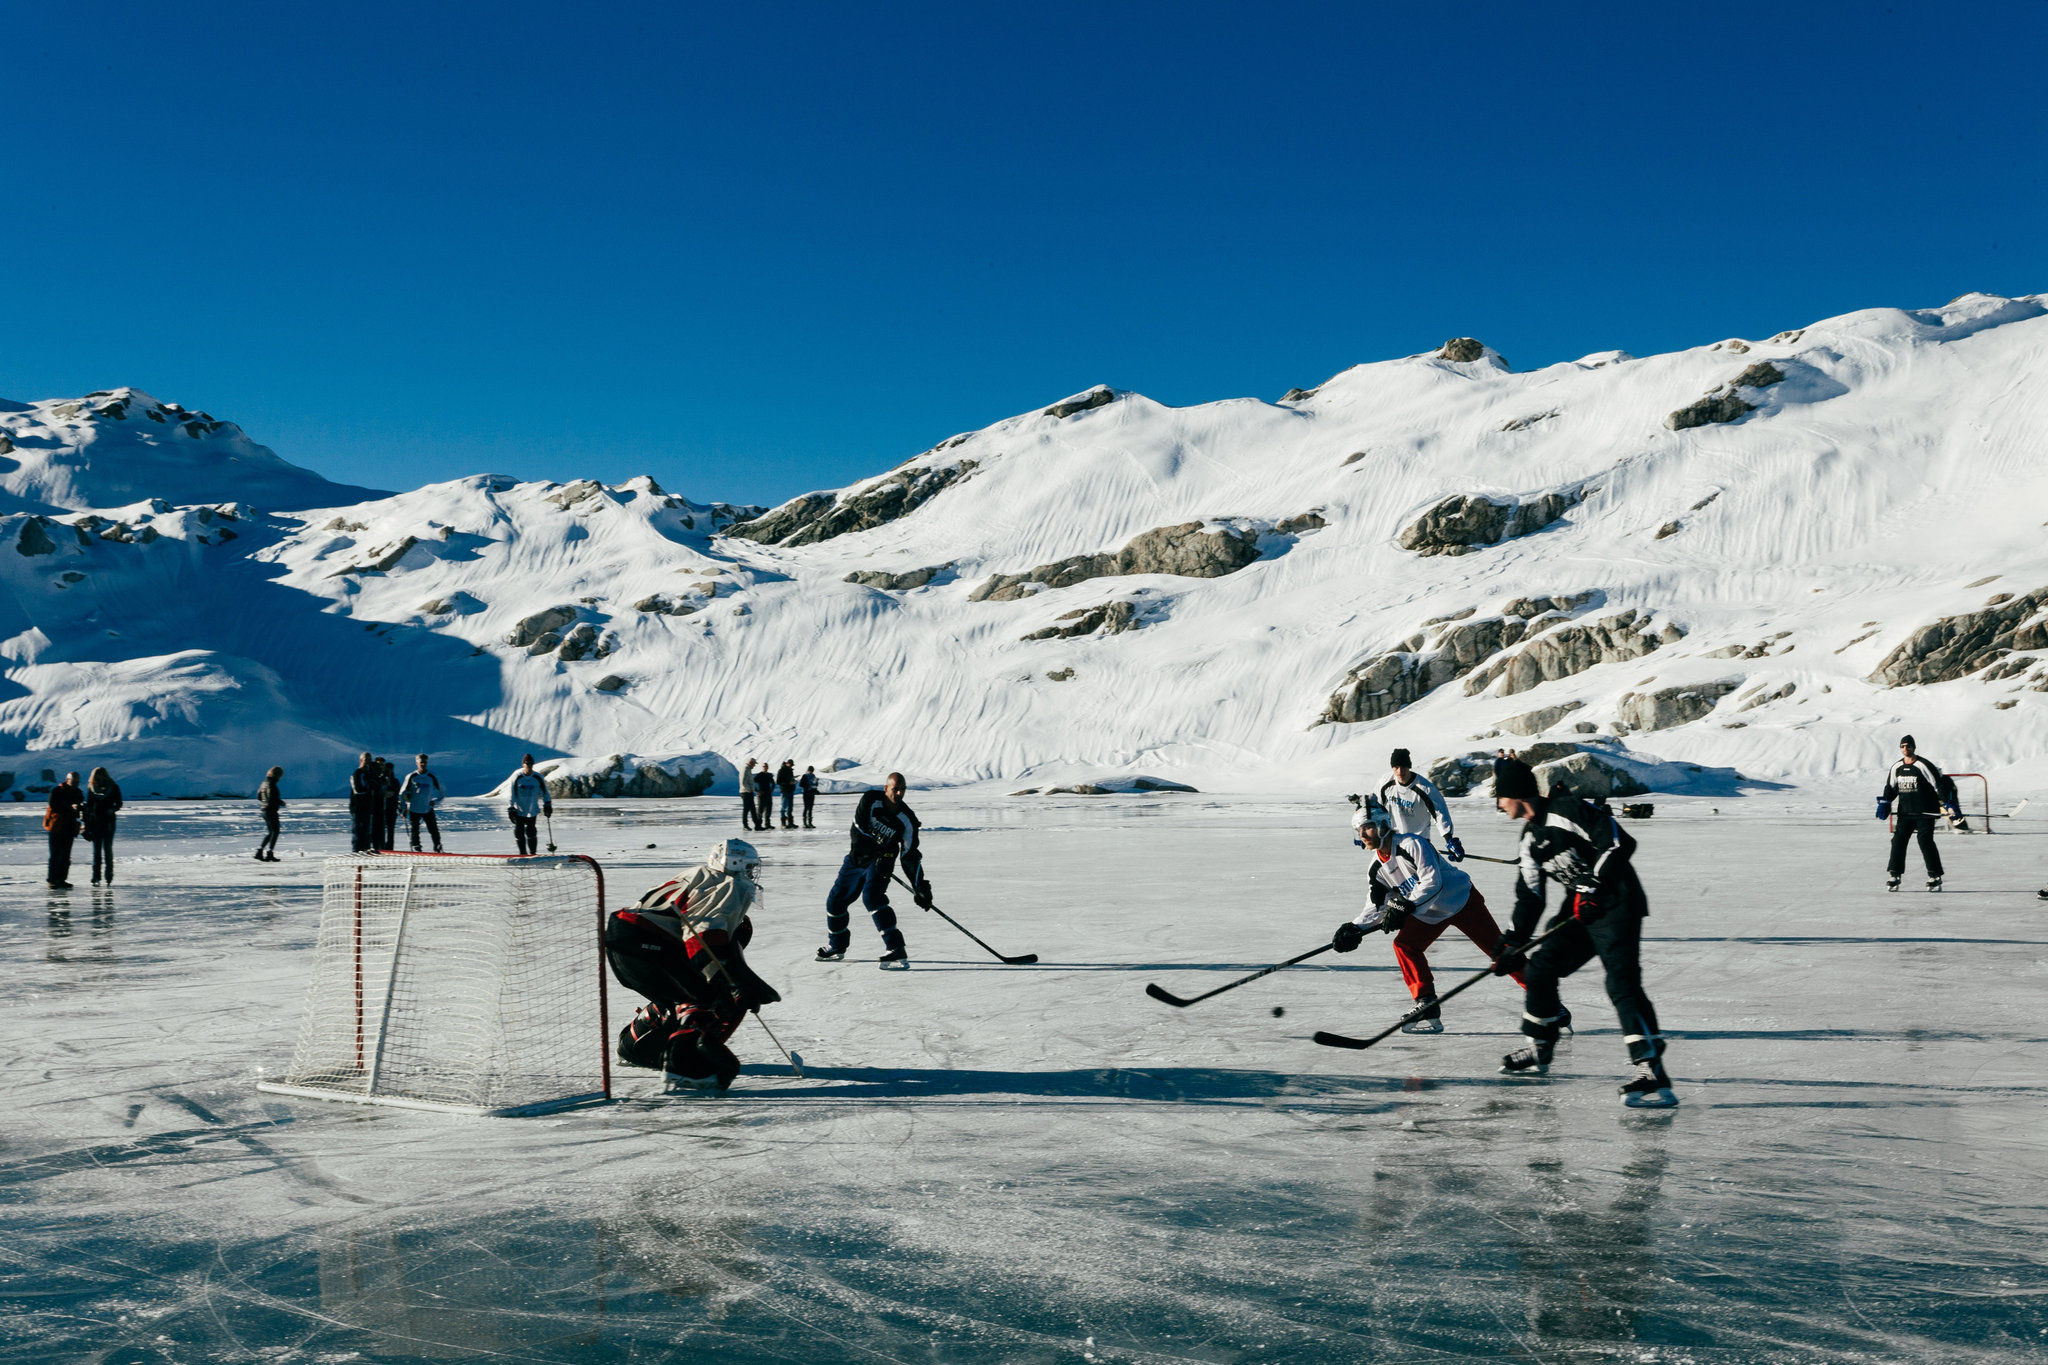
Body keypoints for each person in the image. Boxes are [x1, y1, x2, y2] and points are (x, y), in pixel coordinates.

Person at [1489, 753, 1674, 1108]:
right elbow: (1530, 897)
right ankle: (1541, 1046)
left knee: (1621, 981)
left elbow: (1619, 842)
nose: (1498, 803)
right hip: (1581, 911)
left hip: (1617, 903)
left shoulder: (1566, 811)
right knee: (1541, 967)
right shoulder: (1529, 839)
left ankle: (1652, 1070)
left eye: (1501, 796)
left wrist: (1593, 887)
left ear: (1517, 794)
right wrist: (1510, 943)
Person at [1329, 796, 1534, 1033]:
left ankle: (1545, 999)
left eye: (1368, 827)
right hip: (1430, 913)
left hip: (1461, 901)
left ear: (1384, 825)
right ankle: (1426, 1002)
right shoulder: (1376, 867)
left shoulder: (1412, 844)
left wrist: (1405, 906)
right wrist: (1355, 928)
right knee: (1405, 945)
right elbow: (1377, 905)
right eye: (1359, 830)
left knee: (1500, 952)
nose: (1363, 835)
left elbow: (1431, 883)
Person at [604, 838, 781, 1093]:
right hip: (648, 941)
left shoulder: (700, 875)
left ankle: (636, 1047)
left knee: (680, 995)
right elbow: (705, 934)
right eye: (748, 866)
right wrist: (730, 982)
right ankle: (684, 1068)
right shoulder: (729, 883)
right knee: (707, 996)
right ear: (733, 863)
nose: (751, 873)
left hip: (625, 937)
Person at [818, 771, 931, 968]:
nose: (899, 793)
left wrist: (920, 885)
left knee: (872, 897)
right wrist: (873, 850)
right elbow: (859, 828)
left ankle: (896, 948)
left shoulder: (907, 820)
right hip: (858, 858)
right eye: (895, 789)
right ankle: (836, 945)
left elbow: (909, 854)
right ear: (885, 788)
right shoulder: (870, 800)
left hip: (882, 863)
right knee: (835, 901)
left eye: (902, 790)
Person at [1879, 734, 1958, 892]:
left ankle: (1935, 876)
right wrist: (1885, 802)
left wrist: (1948, 804)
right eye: (1902, 746)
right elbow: (1891, 788)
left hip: (1926, 812)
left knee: (1925, 840)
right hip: (1906, 813)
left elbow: (1938, 786)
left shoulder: (1923, 765)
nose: (1905, 749)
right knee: (1898, 841)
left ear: (1914, 747)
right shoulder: (1897, 767)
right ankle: (1894, 875)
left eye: (1908, 746)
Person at [1376, 748, 1464, 861]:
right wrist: (1366, 832)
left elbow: (1440, 814)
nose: (1400, 771)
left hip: (1419, 846)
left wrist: (1449, 840)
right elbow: (1376, 807)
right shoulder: (1385, 783)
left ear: (1409, 766)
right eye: (1396, 767)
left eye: (1403, 767)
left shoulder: (1425, 788)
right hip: (1393, 844)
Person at [81, 767, 123, 886]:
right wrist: (86, 822)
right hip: (95, 822)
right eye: (95, 779)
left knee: (107, 850)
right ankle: (96, 877)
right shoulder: (91, 789)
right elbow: (89, 806)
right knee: (96, 851)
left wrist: (112, 809)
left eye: (99, 778)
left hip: (108, 822)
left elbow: (119, 803)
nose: (97, 781)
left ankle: (108, 876)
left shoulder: (113, 787)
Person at [507, 754, 552, 855]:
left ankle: (532, 853)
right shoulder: (517, 777)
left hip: (532, 810)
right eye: (527, 763)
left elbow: (545, 793)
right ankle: (522, 853)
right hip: (519, 810)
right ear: (523, 764)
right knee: (519, 832)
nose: (529, 765)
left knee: (531, 832)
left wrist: (547, 804)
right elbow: (512, 793)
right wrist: (511, 807)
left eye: (531, 763)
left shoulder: (538, 777)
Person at [399, 753, 445, 852]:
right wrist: (403, 807)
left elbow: (442, 792)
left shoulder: (432, 776)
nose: (423, 764)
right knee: (414, 830)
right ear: (417, 763)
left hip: (427, 808)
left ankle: (437, 847)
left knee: (433, 830)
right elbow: (401, 793)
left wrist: (435, 802)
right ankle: (416, 847)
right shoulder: (412, 776)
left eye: (425, 762)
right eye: (421, 762)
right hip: (414, 808)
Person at [45, 771, 83, 889]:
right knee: (55, 855)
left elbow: (79, 809)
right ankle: (52, 880)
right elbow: (53, 805)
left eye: (77, 781)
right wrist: (69, 807)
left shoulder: (78, 793)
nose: (76, 783)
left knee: (66, 856)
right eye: (74, 781)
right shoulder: (56, 791)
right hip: (56, 826)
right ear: (67, 780)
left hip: (69, 827)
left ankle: (61, 879)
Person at [348, 752, 379, 853]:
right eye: (366, 760)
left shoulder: (369, 774)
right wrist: (369, 785)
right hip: (357, 808)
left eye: (370, 760)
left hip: (367, 807)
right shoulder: (357, 773)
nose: (368, 762)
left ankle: (365, 853)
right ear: (361, 760)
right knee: (357, 833)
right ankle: (356, 854)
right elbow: (358, 790)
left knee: (366, 833)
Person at [256, 766, 285, 861]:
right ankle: (269, 853)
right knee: (275, 832)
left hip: (264, 810)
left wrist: (265, 803)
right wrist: (279, 802)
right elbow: (272, 797)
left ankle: (259, 852)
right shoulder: (272, 784)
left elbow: (259, 796)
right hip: (271, 810)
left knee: (271, 832)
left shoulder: (264, 783)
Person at [378, 757, 401, 851]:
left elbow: (395, 793)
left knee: (390, 830)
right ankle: (381, 848)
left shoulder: (394, 781)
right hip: (381, 809)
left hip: (391, 808)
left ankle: (390, 849)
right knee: (381, 830)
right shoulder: (380, 780)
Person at [752, 760, 776, 833]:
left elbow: (773, 783)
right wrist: (756, 791)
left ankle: (767, 824)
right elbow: (752, 782)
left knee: (768, 810)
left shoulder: (769, 775)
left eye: (766, 766)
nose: (765, 767)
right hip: (761, 795)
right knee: (760, 811)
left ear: (767, 767)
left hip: (768, 794)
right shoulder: (759, 775)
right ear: (762, 767)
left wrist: (772, 790)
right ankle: (758, 825)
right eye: (763, 766)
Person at [776, 760, 797, 829]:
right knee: (784, 806)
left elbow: (791, 779)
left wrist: (793, 783)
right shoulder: (781, 770)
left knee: (790, 807)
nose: (791, 766)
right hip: (784, 790)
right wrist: (788, 783)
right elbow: (778, 781)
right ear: (787, 764)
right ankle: (783, 823)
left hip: (790, 791)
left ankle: (790, 822)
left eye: (792, 765)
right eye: (790, 764)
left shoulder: (790, 771)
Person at [740, 759, 759, 831]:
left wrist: (755, 790)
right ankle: (745, 825)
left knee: (753, 809)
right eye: (754, 764)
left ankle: (757, 825)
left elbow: (751, 782)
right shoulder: (745, 769)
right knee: (746, 809)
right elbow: (743, 782)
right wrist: (749, 790)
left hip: (749, 792)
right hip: (745, 792)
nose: (754, 766)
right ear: (751, 763)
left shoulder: (748, 770)